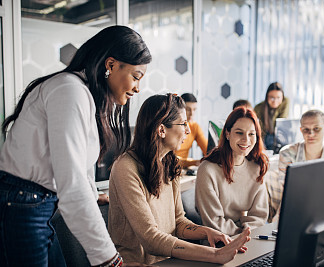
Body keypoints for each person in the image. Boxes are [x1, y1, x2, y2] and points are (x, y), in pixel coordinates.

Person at [0, 25, 151, 266]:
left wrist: (92, 194)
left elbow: (78, 166)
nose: (137, 88)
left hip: (34, 203)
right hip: (22, 205)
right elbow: (72, 182)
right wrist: (109, 259)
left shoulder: (81, 93)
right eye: (136, 76)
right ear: (111, 65)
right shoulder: (70, 91)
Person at [108, 94, 251, 265]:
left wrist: (207, 232)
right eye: (183, 124)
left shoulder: (170, 163)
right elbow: (150, 239)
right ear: (161, 130)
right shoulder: (125, 167)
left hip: (167, 261)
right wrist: (214, 254)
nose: (188, 130)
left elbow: (178, 221)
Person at [195, 106, 269, 236]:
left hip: (248, 238)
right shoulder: (207, 170)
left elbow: (259, 217)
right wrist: (242, 233)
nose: (246, 140)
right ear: (227, 134)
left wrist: (244, 234)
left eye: (251, 134)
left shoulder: (257, 167)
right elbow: (214, 222)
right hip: (218, 243)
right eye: (239, 133)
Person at [269, 110, 324, 220]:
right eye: (306, 130)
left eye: (316, 129)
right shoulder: (287, 153)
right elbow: (290, 193)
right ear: (301, 130)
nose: (311, 134)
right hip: (294, 212)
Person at [254, 82, 289, 152]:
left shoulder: (285, 102)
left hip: (280, 134)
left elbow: (281, 123)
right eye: (272, 98)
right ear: (267, 97)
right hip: (265, 135)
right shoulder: (259, 108)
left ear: (282, 97)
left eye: (278, 98)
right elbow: (258, 129)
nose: (275, 101)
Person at [175, 93, 207, 168]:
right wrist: (194, 162)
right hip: (170, 167)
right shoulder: (173, 127)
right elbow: (168, 159)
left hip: (184, 169)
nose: (192, 114)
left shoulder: (194, 127)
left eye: (194, 110)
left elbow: (208, 150)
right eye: (188, 109)